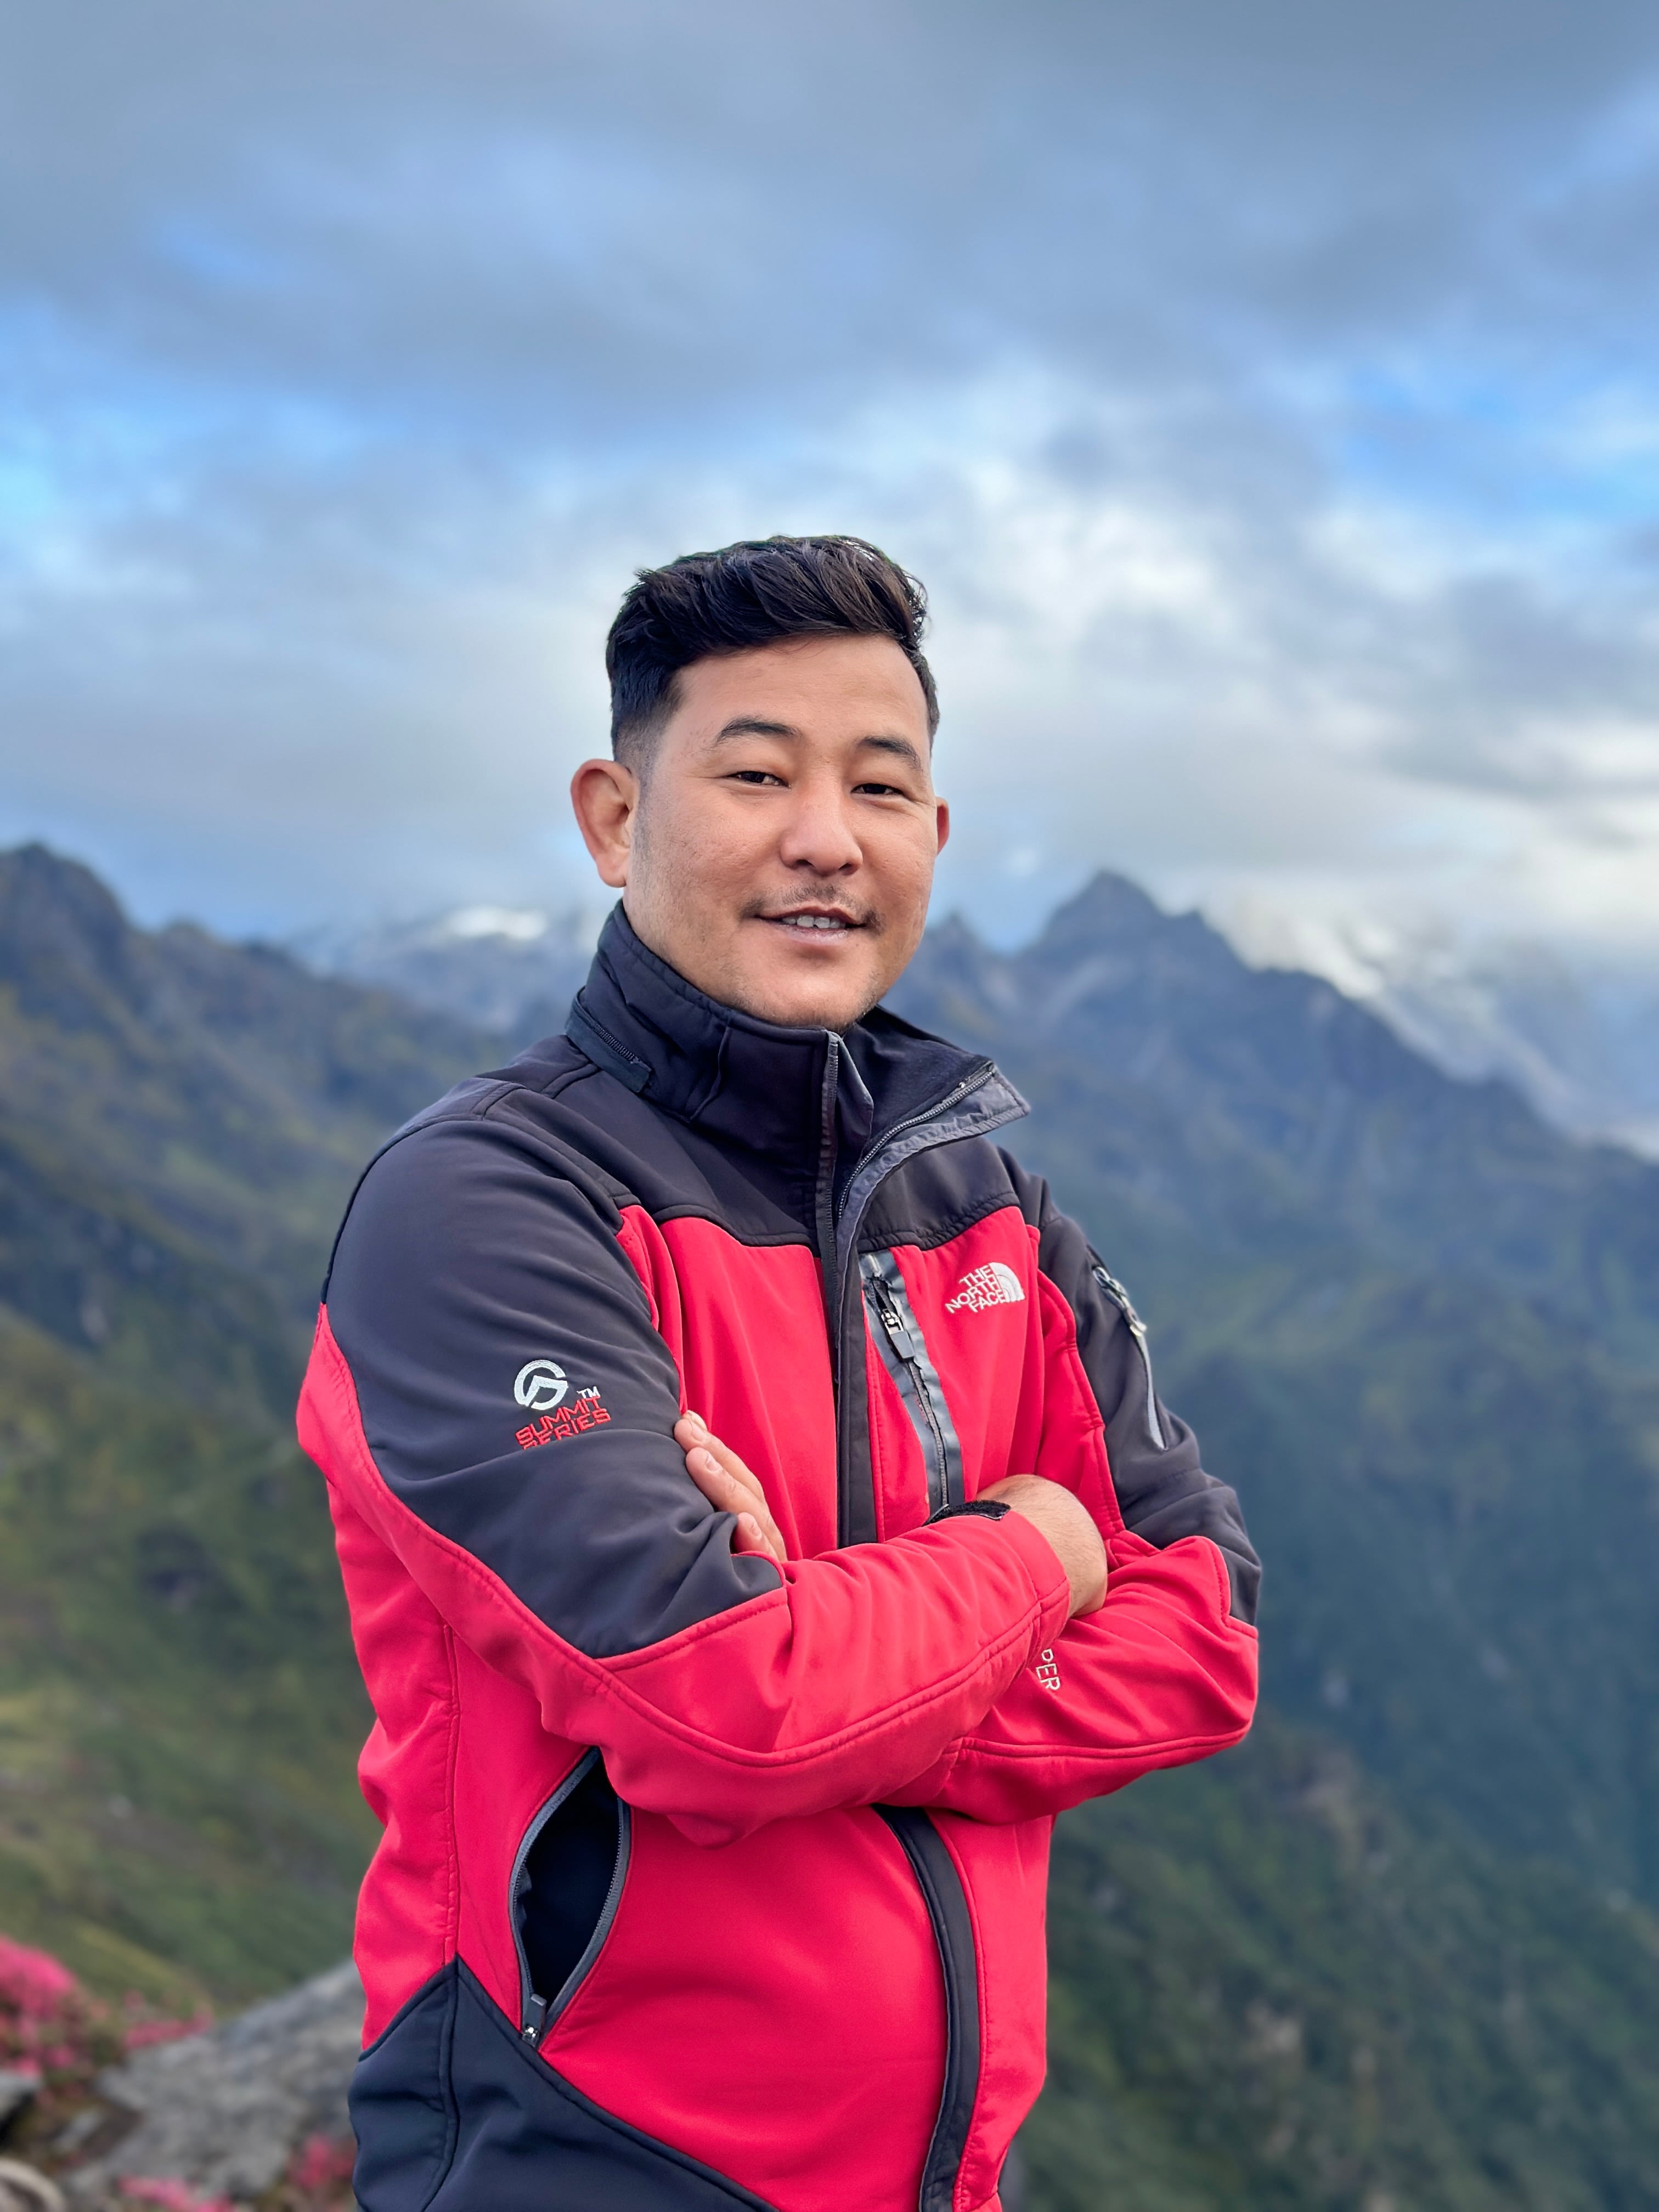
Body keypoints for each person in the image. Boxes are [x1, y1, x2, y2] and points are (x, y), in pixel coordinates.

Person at [299, 534, 1260, 2212]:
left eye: (880, 788)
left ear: (934, 840)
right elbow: (724, 1712)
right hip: (578, 2167)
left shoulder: (991, 1217)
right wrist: (1033, 1557)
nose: (827, 838)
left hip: (942, 2177)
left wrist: (828, 1644)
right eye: (756, 772)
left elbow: (1207, 1640)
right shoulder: (483, 1210)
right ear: (614, 817)